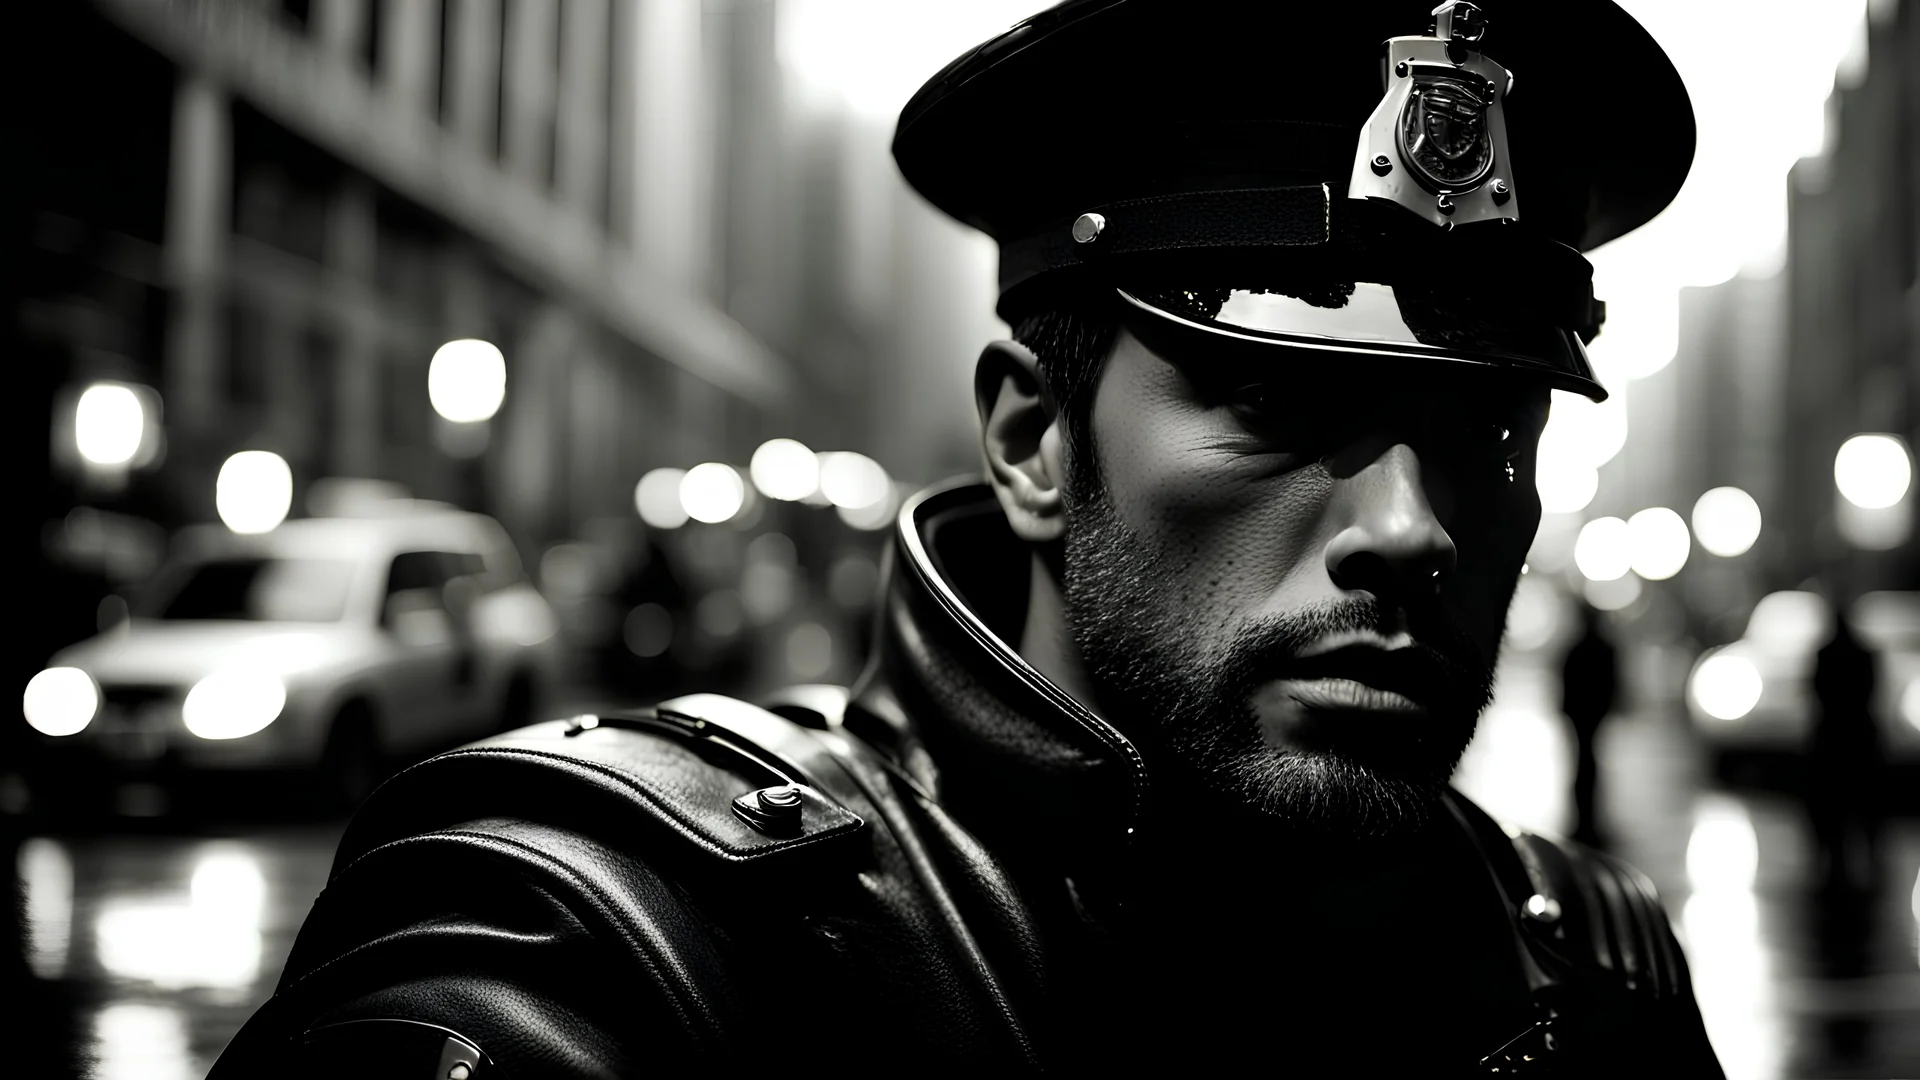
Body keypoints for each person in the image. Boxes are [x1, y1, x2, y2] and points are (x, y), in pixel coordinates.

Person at [212, 2, 1723, 1075]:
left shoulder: (1586, 968)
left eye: (1494, 432)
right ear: (1030, 442)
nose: (1413, 524)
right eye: (1273, 405)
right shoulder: (617, 936)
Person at [1560, 602, 1620, 846]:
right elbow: (1613, 683)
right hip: (1593, 714)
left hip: (1581, 714)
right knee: (1589, 764)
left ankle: (1584, 820)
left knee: (1583, 763)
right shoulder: (1605, 648)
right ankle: (1588, 821)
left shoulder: (1577, 648)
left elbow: (1566, 682)